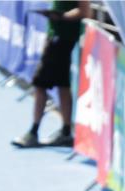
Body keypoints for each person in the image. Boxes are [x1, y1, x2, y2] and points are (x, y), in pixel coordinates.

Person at [11, 1, 92, 148]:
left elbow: (85, 11)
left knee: (40, 84)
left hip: (61, 38)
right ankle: (66, 132)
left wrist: (62, 17)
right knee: (63, 84)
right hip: (58, 35)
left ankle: (33, 132)